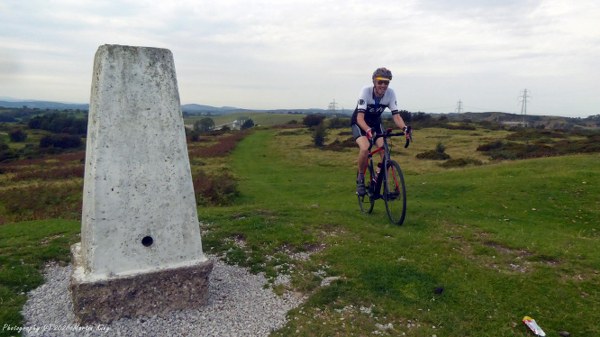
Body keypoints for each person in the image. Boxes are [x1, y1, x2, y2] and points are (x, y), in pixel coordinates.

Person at [351, 67, 410, 196]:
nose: (383, 85)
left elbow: (396, 116)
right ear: (374, 82)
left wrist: (404, 128)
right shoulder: (365, 92)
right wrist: (367, 130)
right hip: (360, 123)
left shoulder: (390, 93)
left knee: (384, 151)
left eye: (386, 82)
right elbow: (360, 117)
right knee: (365, 148)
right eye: (380, 82)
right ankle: (360, 178)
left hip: (376, 124)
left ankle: (380, 182)